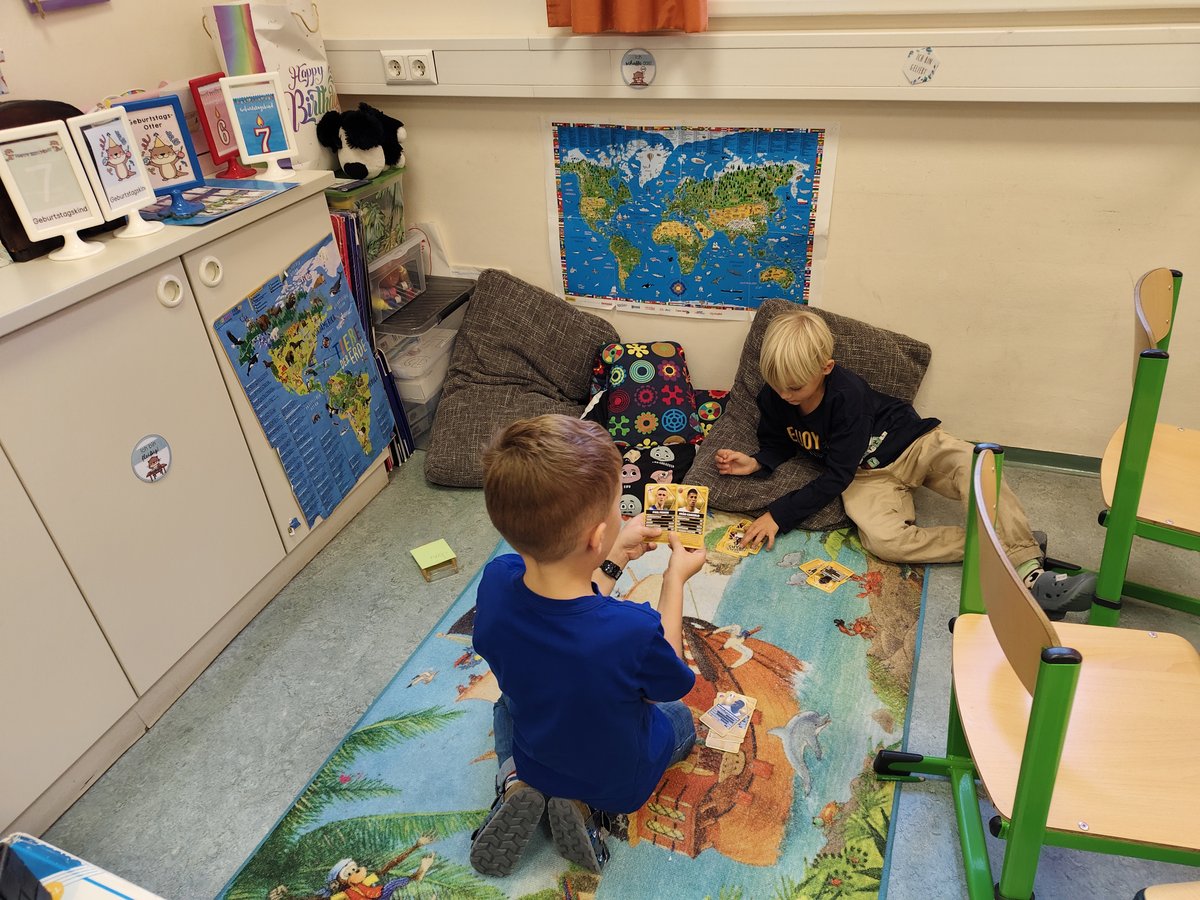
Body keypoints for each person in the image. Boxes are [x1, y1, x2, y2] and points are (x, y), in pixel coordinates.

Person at [714, 308, 1095, 615]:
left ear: (826, 369)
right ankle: (1006, 543)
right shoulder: (774, 396)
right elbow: (779, 440)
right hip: (867, 477)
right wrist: (758, 462)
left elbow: (835, 476)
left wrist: (779, 514)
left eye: (795, 387)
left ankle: (1029, 570)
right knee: (885, 542)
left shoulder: (848, 396)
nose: (784, 395)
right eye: (777, 385)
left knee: (977, 465)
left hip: (911, 444)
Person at [468, 415, 706, 878]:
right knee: (680, 720)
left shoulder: (496, 580)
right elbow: (673, 682)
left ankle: (515, 783)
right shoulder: (632, 630)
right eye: (619, 506)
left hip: (538, 756)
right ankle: (585, 806)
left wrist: (614, 558)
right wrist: (674, 580)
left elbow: (565, 605)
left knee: (504, 702)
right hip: (618, 781)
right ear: (597, 535)